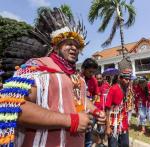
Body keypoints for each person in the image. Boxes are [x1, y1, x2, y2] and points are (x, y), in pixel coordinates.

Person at [0, 7, 106, 147]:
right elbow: (11, 106)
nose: (74, 48)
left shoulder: (76, 76)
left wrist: (95, 111)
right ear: (56, 47)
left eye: (77, 45)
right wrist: (70, 120)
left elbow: (79, 97)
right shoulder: (38, 67)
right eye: (68, 43)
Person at [105, 68, 132, 147]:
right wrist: (107, 127)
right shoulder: (113, 89)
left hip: (123, 123)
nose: (128, 81)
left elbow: (126, 106)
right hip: (113, 123)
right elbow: (107, 109)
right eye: (126, 79)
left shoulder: (127, 89)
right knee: (113, 145)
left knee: (125, 144)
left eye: (129, 79)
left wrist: (128, 121)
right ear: (120, 78)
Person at [81, 58, 100, 147]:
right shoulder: (76, 78)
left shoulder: (94, 80)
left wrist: (92, 102)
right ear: (83, 69)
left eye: (93, 72)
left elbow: (96, 95)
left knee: (88, 135)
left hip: (90, 113)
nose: (92, 74)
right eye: (90, 72)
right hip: (78, 111)